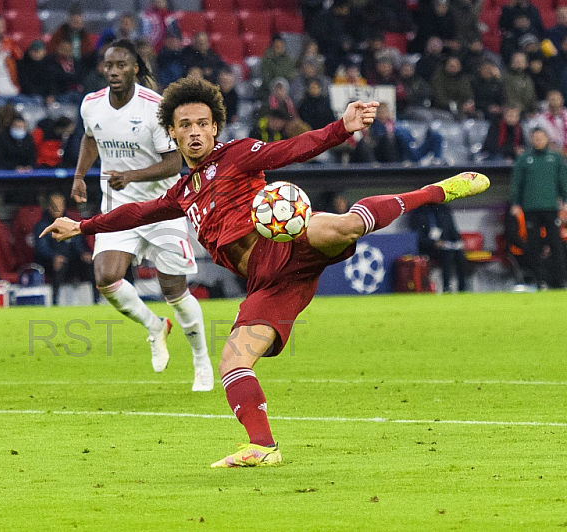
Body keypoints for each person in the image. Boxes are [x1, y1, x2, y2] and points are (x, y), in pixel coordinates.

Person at [42, 77, 489, 467]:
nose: (195, 132)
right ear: (172, 134)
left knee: (346, 225)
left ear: (214, 127)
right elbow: (136, 211)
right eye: (185, 126)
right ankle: (262, 447)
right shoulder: (181, 192)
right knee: (233, 361)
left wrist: (341, 129)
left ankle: (435, 190)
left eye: (202, 124)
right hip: (268, 281)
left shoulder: (236, 155)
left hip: (285, 242)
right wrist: (82, 225)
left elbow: (290, 148)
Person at [72, 40, 214, 392]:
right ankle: (154, 326)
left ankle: (201, 360)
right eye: (109, 65)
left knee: (174, 290)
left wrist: (131, 176)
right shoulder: (91, 105)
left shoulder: (155, 108)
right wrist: (78, 176)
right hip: (118, 208)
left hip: (161, 208)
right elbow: (91, 139)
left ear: (136, 67)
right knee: (106, 277)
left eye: (121, 65)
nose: (114, 71)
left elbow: (173, 163)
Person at [510, 128, 567, 289]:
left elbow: (563, 180)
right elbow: (516, 183)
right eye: (535, 138)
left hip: (550, 207)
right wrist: (515, 203)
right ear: (531, 140)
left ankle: (561, 280)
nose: (538, 140)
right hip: (531, 208)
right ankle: (539, 280)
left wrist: (565, 199)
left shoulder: (556, 158)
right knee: (534, 245)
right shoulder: (524, 159)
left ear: (547, 139)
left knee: (556, 244)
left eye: (541, 137)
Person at [33, 192, 95, 304]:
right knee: (59, 264)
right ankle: (54, 301)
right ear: (48, 207)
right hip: (50, 263)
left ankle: (96, 299)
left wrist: (83, 254)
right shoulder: (42, 226)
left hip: (71, 261)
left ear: (63, 206)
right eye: (53, 205)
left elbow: (78, 244)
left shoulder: (70, 223)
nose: (56, 208)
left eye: (59, 205)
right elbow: (41, 248)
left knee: (89, 262)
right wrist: (53, 257)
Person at [409, 204, 469, 292]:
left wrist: (459, 241)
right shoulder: (418, 212)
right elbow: (417, 235)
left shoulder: (443, 210)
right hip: (428, 248)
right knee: (447, 255)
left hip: (445, 245)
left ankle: (462, 288)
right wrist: (433, 243)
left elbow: (452, 229)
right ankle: (446, 287)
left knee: (460, 254)